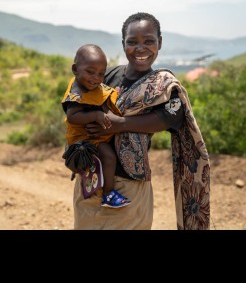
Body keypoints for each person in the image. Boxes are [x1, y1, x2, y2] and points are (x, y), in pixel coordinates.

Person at [73, 12, 210, 230]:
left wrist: (121, 123)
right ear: (123, 44)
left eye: (149, 41)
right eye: (132, 42)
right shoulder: (106, 76)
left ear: (160, 43)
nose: (140, 48)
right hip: (92, 177)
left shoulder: (163, 87)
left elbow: (170, 118)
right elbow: (77, 101)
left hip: (130, 186)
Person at [62, 44, 131, 208]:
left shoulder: (90, 86)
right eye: (90, 72)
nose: (96, 78)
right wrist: (96, 115)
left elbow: (100, 97)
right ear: (75, 69)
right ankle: (108, 193)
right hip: (86, 138)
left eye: (101, 73)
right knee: (108, 156)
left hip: (96, 134)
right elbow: (72, 117)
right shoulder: (76, 94)